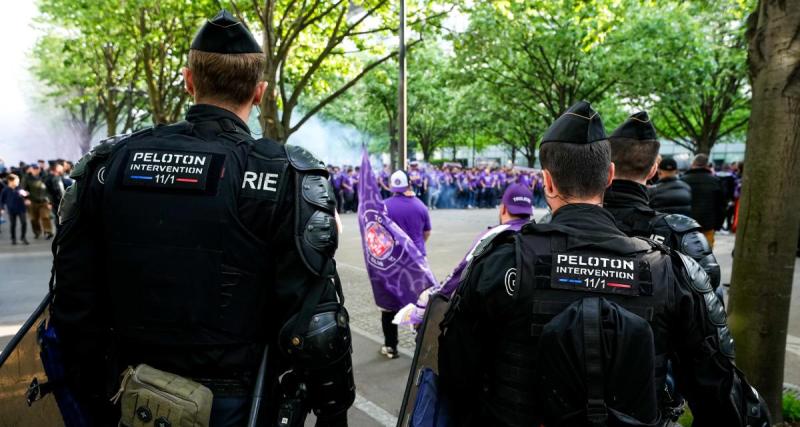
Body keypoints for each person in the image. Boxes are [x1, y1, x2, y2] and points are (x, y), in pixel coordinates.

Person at [49, 11, 353, 426]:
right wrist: (333, 413)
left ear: (189, 81)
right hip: (236, 404)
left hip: (128, 393)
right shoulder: (284, 174)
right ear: (260, 91)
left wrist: (94, 398)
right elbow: (317, 325)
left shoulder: (108, 163)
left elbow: (70, 303)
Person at [438, 101, 768, 427]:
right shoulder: (672, 271)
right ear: (609, 175)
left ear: (547, 181)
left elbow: (456, 372)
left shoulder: (502, 258)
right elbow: (721, 393)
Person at [605, 112, 720, 289]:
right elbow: (709, 299)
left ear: (607, 168)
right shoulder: (682, 236)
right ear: (653, 170)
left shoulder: (574, 222)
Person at [381, 170, 431, 358]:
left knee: (389, 306)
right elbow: (426, 232)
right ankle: (420, 346)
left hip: (392, 263)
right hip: (417, 263)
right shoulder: (420, 206)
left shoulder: (384, 206)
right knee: (420, 304)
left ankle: (391, 347)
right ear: (409, 184)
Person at [682, 153, 725, 248]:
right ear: (707, 165)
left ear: (693, 163)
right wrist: (718, 225)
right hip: (708, 225)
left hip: (686, 226)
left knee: (685, 256)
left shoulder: (682, 180)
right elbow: (721, 205)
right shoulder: (716, 181)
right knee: (706, 256)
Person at [22, 163, 53, 239]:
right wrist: (26, 199)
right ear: (31, 169)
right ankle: (37, 232)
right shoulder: (26, 178)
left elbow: (50, 190)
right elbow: (22, 190)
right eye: (34, 169)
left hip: (44, 201)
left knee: (45, 217)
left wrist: (50, 202)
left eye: (37, 168)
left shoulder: (44, 176)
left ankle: (48, 231)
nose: (36, 170)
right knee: (34, 219)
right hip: (32, 202)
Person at [0, 174, 29, 245]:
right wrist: (2, 208)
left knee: (24, 223)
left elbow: (26, 195)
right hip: (11, 210)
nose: (18, 182)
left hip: (21, 209)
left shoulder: (19, 188)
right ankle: (13, 238)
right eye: (16, 180)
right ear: (10, 181)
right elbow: (1, 200)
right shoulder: (5, 190)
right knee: (13, 224)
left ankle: (23, 237)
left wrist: (27, 197)